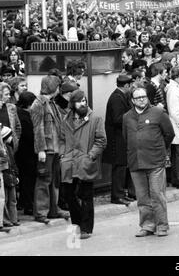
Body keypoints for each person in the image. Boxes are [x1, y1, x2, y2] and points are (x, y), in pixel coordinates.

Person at [123, 86, 175, 237]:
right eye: (138, 97)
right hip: (135, 162)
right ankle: (147, 225)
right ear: (132, 100)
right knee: (142, 197)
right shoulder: (127, 117)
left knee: (157, 194)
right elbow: (126, 137)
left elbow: (169, 134)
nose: (141, 99)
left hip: (155, 161)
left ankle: (162, 225)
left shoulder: (158, 113)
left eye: (143, 96)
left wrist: (159, 149)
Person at [59, 90, 107, 240]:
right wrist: (62, 155)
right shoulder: (66, 119)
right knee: (69, 195)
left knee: (86, 195)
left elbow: (101, 140)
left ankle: (86, 228)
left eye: (85, 100)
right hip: (69, 162)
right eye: (79, 101)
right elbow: (61, 139)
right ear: (73, 103)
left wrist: (90, 156)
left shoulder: (95, 118)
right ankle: (77, 224)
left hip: (85, 161)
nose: (83, 103)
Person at [30, 75, 69, 223]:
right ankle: (41, 212)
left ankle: (53, 209)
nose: (59, 89)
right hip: (46, 150)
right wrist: (40, 150)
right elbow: (37, 128)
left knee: (54, 180)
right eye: (57, 86)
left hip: (55, 149)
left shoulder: (51, 103)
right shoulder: (38, 104)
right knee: (44, 180)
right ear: (53, 87)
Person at [104, 74, 134, 206]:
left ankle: (121, 193)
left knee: (122, 166)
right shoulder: (117, 98)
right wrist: (131, 116)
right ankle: (117, 195)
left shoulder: (121, 96)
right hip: (117, 138)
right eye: (130, 85)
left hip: (121, 137)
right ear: (126, 86)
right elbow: (117, 118)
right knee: (119, 167)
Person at [15, 92, 37, 216]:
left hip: (20, 152)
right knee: (28, 179)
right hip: (27, 152)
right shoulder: (25, 116)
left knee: (24, 179)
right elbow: (30, 135)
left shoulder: (18, 113)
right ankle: (28, 205)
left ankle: (23, 202)